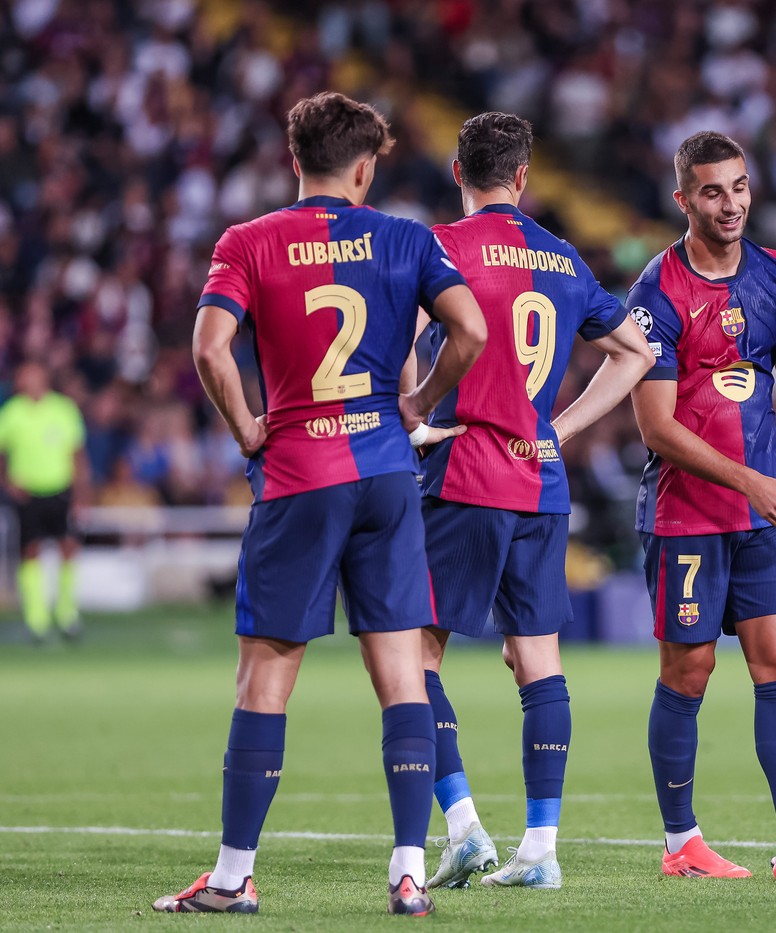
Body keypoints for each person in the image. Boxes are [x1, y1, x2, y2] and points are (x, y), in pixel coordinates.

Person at [154, 91, 487, 916]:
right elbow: (472, 332)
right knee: (402, 675)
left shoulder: (249, 241)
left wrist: (244, 428)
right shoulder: (407, 237)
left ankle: (232, 878)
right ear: (367, 167)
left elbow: (208, 347)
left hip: (300, 472)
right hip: (382, 472)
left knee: (265, 679)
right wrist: (418, 406)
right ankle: (409, 871)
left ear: (294, 159)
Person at [411, 112, 654, 890]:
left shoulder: (439, 248)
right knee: (535, 657)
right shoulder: (560, 255)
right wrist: (562, 425)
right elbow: (639, 352)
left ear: (458, 172)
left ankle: (465, 828)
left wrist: (412, 408)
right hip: (540, 482)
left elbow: (413, 338)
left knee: (413, 657)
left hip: (464, 469)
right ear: (523, 177)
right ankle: (541, 850)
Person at [628, 131, 776, 880]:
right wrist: (751, 480)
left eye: (741, 187)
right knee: (688, 672)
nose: (732, 204)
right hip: (687, 513)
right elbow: (656, 425)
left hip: (767, 518)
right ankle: (680, 841)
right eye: (714, 191)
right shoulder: (656, 292)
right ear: (683, 198)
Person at [0, 360, 88, 642]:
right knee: (30, 551)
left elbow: (77, 454)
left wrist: (80, 494)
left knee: (68, 548)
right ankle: (36, 620)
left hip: (59, 490)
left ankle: (66, 614)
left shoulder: (63, 409)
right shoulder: (12, 412)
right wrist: (9, 483)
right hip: (29, 493)